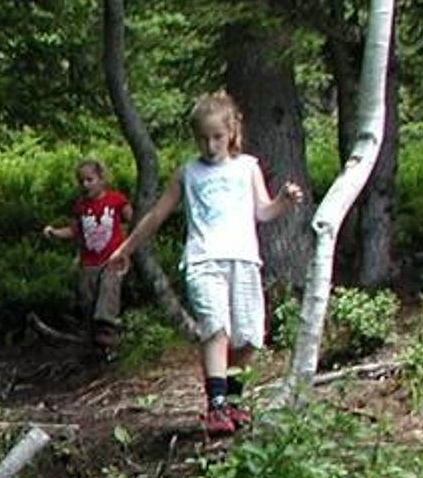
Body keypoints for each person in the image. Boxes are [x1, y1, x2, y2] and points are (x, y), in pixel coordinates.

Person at [113, 91, 304, 437]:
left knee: (249, 337)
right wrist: (126, 248)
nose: (211, 145)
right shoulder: (188, 173)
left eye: (217, 137)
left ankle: (233, 400)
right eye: (203, 138)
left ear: (231, 133)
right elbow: (156, 214)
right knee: (216, 329)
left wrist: (284, 200)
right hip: (204, 260)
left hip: (243, 260)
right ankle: (215, 406)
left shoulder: (247, 168)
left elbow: (263, 211)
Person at [41, 159, 133, 359]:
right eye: (81, 181)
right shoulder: (81, 207)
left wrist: (128, 248)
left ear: (101, 179)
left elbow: (133, 219)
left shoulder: (115, 200)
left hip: (112, 259)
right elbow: (73, 230)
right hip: (89, 262)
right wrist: (55, 233)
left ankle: (108, 332)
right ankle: (95, 345)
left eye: (90, 180)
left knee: (108, 289)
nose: (85, 185)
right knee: (88, 299)